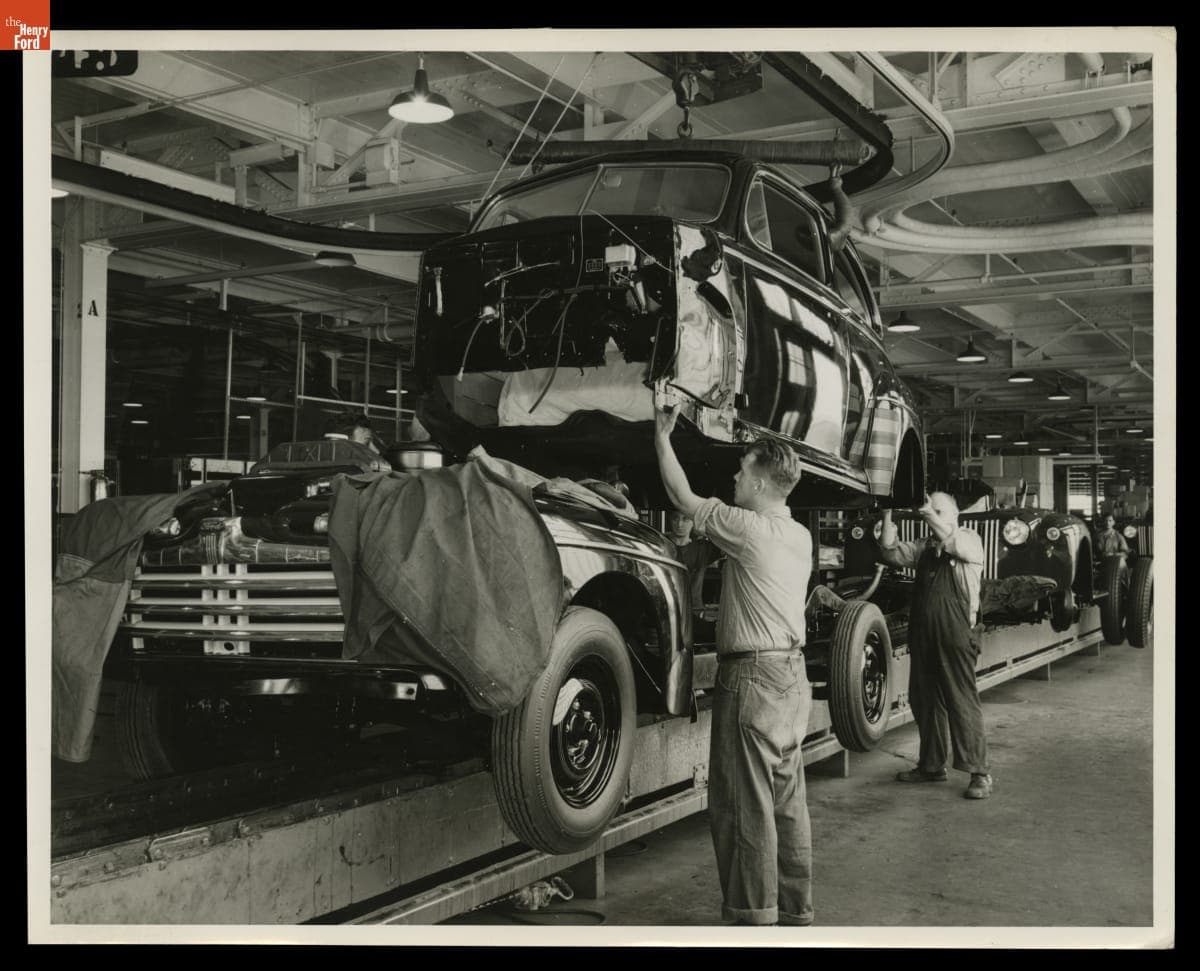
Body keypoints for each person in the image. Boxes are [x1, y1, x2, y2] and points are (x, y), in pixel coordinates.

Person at [654, 404, 814, 927]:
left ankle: (752, 919)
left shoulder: (750, 528)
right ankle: (793, 911)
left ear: (765, 483)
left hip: (752, 680)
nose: (734, 476)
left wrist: (661, 436)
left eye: (743, 470)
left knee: (743, 805)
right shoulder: (798, 535)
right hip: (792, 678)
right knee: (787, 800)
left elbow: (682, 497)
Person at [877, 493, 992, 800]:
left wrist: (927, 511)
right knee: (925, 701)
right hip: (925, 636)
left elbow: (948, 536)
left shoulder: (968, 540)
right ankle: (931, 766)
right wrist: (888, 512)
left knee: (961, 702)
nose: (933, 518)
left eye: (940, 512)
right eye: (932, 512)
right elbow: (890, 553)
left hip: (955, 636)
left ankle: (979, 772)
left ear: (955, 516)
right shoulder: (926, 547)